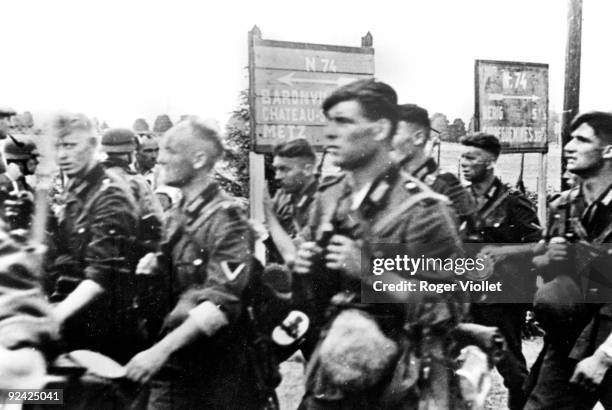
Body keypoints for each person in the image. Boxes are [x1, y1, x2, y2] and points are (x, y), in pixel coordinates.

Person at [294, 79, 466, 409]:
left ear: (380, 129)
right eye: (328, 121)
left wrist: (371, 272)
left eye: (344, 121)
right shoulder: (328, 199)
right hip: (333, 373)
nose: (330, 133)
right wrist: (304, 266)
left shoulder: (424, 211)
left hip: (400, 382)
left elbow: (450, 305)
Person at [125, 118, 263, 409]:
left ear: (199, 159)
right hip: (178, 360)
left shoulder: (226, 219)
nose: (160, 158)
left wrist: (160, 352)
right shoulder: (178, 214)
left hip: (212, 371)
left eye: (171, 150)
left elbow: (221, 305)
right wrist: (156, 265)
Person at [525, 111, 612, 409]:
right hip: (569, 339)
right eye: (570, 138)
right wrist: (548, 261)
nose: (569, 146)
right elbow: (539, 265)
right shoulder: (563, 205)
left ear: (609, 150)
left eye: (582, 139)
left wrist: (604, 356)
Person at [43, 113, 142, 365]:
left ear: (93, 145)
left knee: (60, 399)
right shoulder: (75, 189)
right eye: (57, 146)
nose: (62, 155)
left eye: (70, 145)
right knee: (31, 397)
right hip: (73, 318)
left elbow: (103, 274)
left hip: (104, 329)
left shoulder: (110, 195)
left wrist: (54, 317)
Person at [459, 133, 542, 410]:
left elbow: (538, 245)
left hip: (501, 298)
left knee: (512, 370)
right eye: (462, 156)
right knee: (455, 366)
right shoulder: (458, 200)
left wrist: (504, 252)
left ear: (491, 161)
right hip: (464, 296)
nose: (463, 163)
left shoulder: (512, 201)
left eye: (471, 157)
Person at [392, 103, 476, 230]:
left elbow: (469, 237)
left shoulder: (446, 186)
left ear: (418, 138)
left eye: (394, 134)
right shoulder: (390, 183)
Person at [264, 138, 319, 264]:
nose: (277, 176)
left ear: (307, 169)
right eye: (276, 169)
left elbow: (294, 255)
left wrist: (269, 214)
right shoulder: (282, 196)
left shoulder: (323, 202)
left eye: (284, 169)